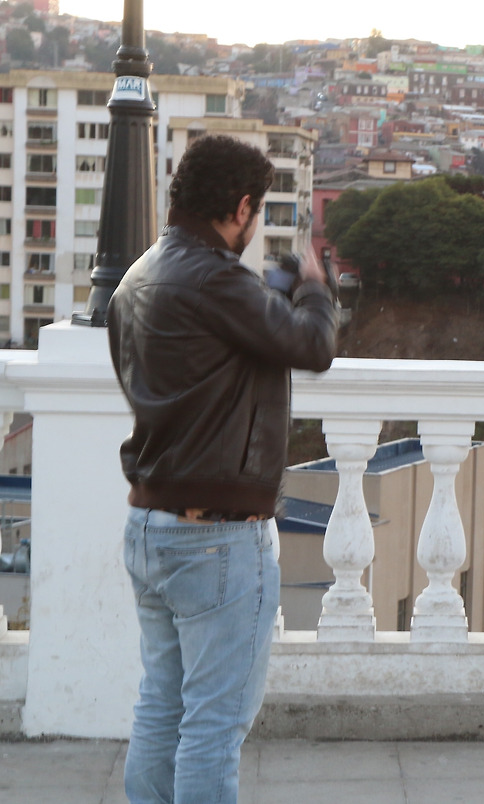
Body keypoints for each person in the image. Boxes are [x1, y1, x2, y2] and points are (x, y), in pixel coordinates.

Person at [108, 134, 339, 802]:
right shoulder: (217, 280)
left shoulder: (137, 276)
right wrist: (315, 290)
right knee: (213, 725)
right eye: (256, 211)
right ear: (241, 208)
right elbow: (312, 346)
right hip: (216, 537)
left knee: (161, 706)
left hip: (149, 524)